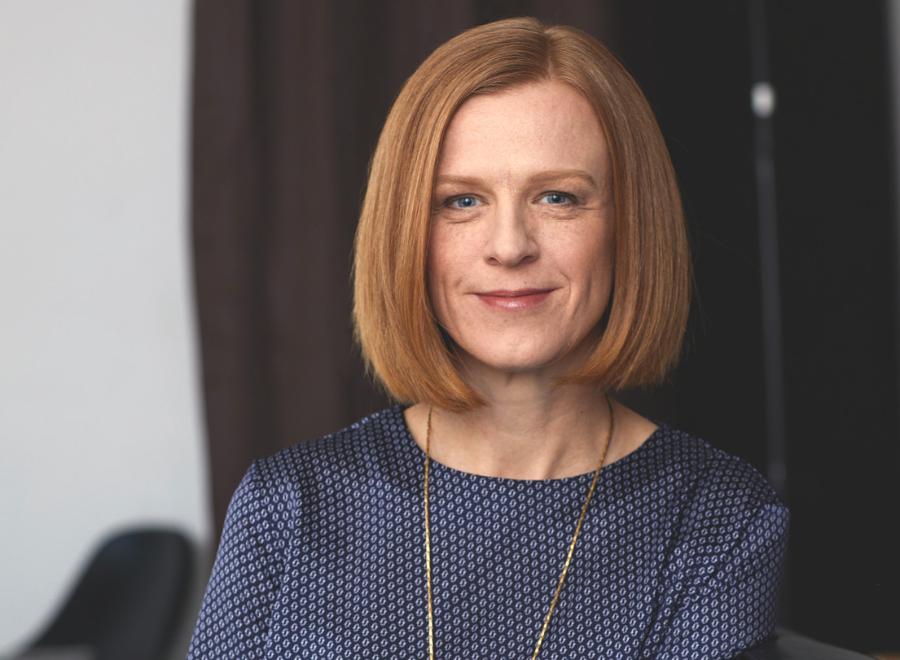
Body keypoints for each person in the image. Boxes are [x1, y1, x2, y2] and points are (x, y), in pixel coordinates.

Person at [187, 16, 789, 660]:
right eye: (461, 202)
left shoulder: (721, 517)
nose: (509, 247)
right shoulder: (288, 504)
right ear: (406, 233)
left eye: (557, 197)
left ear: (632, 226)